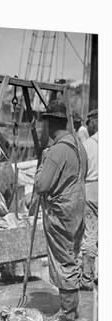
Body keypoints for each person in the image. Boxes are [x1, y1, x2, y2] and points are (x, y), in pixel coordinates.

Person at [34, 100, 88, 321]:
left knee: (62, 258)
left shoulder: (56, 151)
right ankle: (72, 308)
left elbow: (41, 185)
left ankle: (66, 313)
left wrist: (42, 164)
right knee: (72, 255)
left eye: (44, 123)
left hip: (61, 212)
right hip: (76, 207)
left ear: (50, 124)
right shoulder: (78, 146)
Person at [80, 108, 98, 290]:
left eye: (89, 121)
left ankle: (87, 278)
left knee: (90, 234)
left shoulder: (88, 145)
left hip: (91, 189)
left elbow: (81, 172)